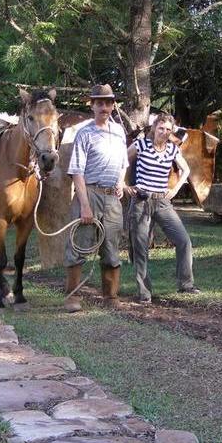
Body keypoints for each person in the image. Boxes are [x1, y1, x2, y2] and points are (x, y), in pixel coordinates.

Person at [63, 84, 129, 312]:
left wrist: (121, 181)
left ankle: (110, 298)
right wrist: (84, 206)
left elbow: (123, 164)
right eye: (99, 103)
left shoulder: (119, 132)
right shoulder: (84, 133)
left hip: (112, 198)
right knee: (78, 247)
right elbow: (77, 172)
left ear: (113, 106)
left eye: (108, 102)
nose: (104, 107)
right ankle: (73, 297)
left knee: (111, 250)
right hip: (89, 193)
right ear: (92, 105)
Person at [126, 113, 200, 302]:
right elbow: (123, 160)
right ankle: (144, 292)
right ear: (154, 128)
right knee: (140, 247)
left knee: (183, 240)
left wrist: (175, 189)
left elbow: (187, 170)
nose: (164, 132)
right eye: (161, 128)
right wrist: (125, 185)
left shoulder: (172, 150)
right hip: (141, 201)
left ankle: (186, 285)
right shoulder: (141, 144)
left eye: (168, 129)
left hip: (162, 202)